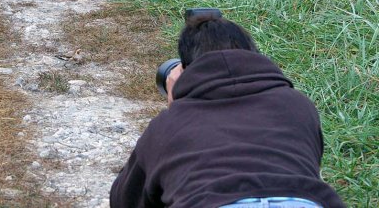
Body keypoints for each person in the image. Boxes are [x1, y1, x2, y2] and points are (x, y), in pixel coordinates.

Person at [110, 13, 345, 208]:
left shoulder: (167, 125)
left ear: (183, 71)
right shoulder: (298, 105)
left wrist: (178, 104)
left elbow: (123, 200)